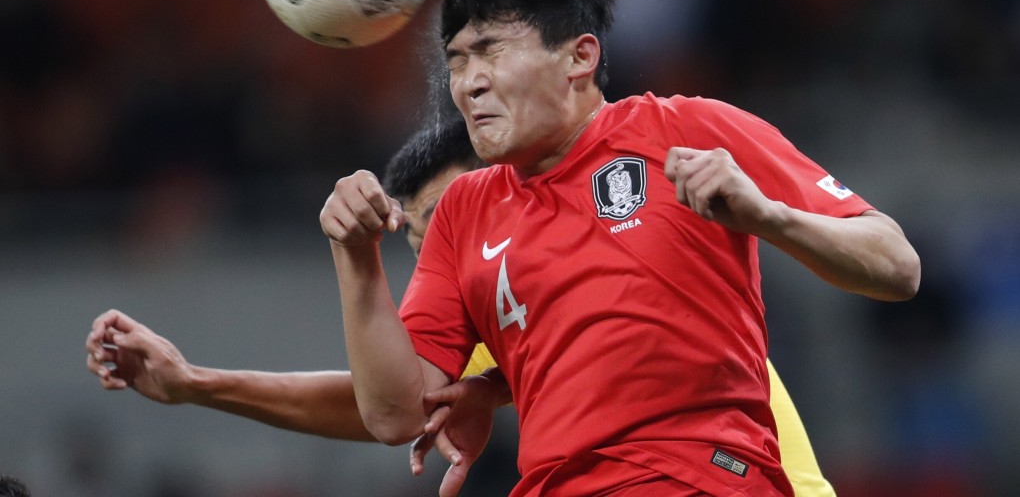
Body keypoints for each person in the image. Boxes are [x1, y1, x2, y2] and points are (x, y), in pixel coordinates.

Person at [319, 0, 920, 497]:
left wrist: (768, 215)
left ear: (580, 56)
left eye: (492, 50)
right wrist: (356, 257)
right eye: (458, 60)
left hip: (697, 480)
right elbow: (397, 416)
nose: (469, 82)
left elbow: (897, 266)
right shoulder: (460, 212)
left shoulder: (685, 129)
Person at [87, 116, 839, 496]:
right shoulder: (503, 314)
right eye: (423, 240)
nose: (446, 252)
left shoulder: (611, 245)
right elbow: (391, 407)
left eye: (456, 217)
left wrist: (200, 387)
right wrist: (195, 384)